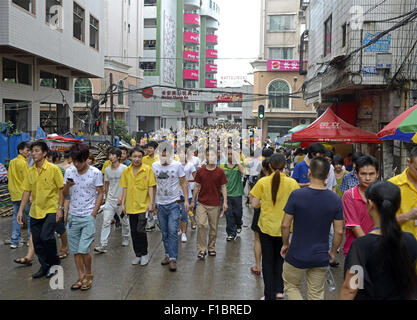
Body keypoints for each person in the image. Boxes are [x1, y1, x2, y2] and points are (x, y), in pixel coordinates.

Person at [340, 181, 417, 300]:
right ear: (398, 205)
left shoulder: (361, 246)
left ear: (370, 204)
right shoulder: (410, 240)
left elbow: (351, 288)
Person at [281, 157, 344, 300]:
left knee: (291, 286)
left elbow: (285, 225)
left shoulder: (297, 195)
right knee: (316, 294)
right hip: (321, 255)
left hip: (296, 252)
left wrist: (285, 244)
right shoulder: (335, 199)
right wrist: (333, 252)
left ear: (309, 172)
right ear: (328, 175)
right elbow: (339, 231)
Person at [250, 153, 299, 300]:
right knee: (281, 258)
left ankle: (268, 294)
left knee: (267, 261)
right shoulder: (292, 183)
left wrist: (263, 204)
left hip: (266, 227)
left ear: (269, 166)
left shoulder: (263, 182)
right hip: (285, 228)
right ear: (285, 166)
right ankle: (279, 290)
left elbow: (254, 204)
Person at [17, 141, 64, 279]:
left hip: (50, 208)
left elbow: (61, 189)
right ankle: (44, 266)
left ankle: (54, 264)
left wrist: (60, 208)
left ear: (44, 153)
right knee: (37, 242)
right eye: (32, 151)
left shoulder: (53, 169)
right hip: (35, 211)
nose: (34, 153)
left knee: (46, 237)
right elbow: (26, 191)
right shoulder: (30, 171)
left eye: (37, 151)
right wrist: (20, 211)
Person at [64, 143, 104, 291]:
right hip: (73, 216)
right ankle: (81, 276)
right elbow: (64, 194)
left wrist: (94, 212)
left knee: (84, 249)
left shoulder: (95, 173)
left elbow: (100, 192)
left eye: (78, 161)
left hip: (88, 216)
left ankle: (89, 274)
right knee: (75, 250)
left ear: (86, 158)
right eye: (73, 160)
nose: (76, 164)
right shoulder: (69, 172)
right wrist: (67, 186)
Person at [152, 144, 189, 271]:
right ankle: (167, 255)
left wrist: (186, 200)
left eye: (166, 153)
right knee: (164, 232)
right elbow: (153, 185)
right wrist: (152, 202)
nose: (164, 156)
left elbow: (183, 182)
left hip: (174, 203)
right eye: (162, 153)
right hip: (160, 204)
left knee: (173, 230)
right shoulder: (154, 166)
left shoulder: (177, 165)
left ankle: (173, 258)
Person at [120, 147, 156, 266]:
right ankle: (138, 254)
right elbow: (125, 188)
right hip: (130, 205)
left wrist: (151, 203)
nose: (137, 159)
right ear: (130, 157)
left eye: (139, 157)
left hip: (143, 205)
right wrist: (122, 204)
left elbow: (151, 186)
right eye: (134, 156)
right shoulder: (126, 171)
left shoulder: (147, 169)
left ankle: (145, 253)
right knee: (133, 232)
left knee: (141, 230)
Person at [191, 148, 228, 260]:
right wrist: (193, 200)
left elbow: (223, 187)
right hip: (202, 202)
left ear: (216, 157)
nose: (210, 157)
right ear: (205, 157)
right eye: (208, 155)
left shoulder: (220, 172)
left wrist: (225, 202)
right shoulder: (201, 171)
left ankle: (211, 247)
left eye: (212, 155)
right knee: (202, 225)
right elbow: (197, 185)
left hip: (215, 203)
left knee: (213, 227)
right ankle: (202, 249)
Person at [342, 156, 379, 256]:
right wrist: (371, 250)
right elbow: (354, 226)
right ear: (356, 174)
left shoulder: (381, 194)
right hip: (355, 250)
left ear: (377, 174)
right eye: (363, 174)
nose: (367, 178)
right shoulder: (349, 195)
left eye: (371, 174)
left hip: (378, 249)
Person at [95, 148, 129, 253]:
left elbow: (127, 185)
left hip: (121, 200)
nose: (111, 157)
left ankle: (126, 237)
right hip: (110, 200)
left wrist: (122, 198)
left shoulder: (124, 168)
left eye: (113, 155)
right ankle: (103, 244)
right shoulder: (107, 170)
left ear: (118, 157)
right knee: (106, 222)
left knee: (124, 222)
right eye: (110, 155)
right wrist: (105, 197)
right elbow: (106, 184)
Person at [250, 158, 272, 277]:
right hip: (278, 215)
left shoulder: (262, 181)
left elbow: (253, 202)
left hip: (261, 213)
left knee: (258, 240)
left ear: (264, 168)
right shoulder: (288, 181)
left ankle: (258, 266)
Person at [388, 146, 417, 239]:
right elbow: (383, 222)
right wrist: (408, 215)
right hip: (401, 247)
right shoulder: (392, 185)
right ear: (408, 162)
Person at [7, 142, 31, 249]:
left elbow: (9, 176)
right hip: (23, 194)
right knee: (30, 217)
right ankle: (30, 240)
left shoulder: (12, 162)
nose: (29, 153)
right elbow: (28, 180)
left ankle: (14, 241)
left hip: (14, 193)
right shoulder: (23, 163)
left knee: (16, 217)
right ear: (20, 151)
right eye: (27, 150)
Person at [220, 147, 245, 241]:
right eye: (229, 154)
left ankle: (239, 224)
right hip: (226, 195)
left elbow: (243, 172)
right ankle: (231, 233)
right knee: (228, 214)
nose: (230, 156)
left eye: (232, 154)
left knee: (238, 213)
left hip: (237, 194)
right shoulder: (222, 166)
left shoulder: (239, 165)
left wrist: (238, 161)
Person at [178, 148, 197, 242]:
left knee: (185, 214)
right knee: (177, 214)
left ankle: (184, 233)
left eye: (184, 154)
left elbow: (196, 179)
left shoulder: (190, 165)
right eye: (180, 154)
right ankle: (178, 229)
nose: (182, 156)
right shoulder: (175, 165)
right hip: (175, 194)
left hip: (186, 193)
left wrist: (186, 181)